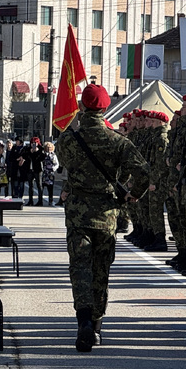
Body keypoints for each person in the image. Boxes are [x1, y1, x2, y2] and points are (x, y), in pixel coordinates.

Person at [57, 84, 149, 353]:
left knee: (80, 269)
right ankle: (96, 326)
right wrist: (133, 194)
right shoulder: (117, 140)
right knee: (101, 271)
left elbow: (64, 162)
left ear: (82, 107)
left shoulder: (68, 139)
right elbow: (143, 171)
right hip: (107, 214)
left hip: (77, 214)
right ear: (106, 108)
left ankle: (83, 320)